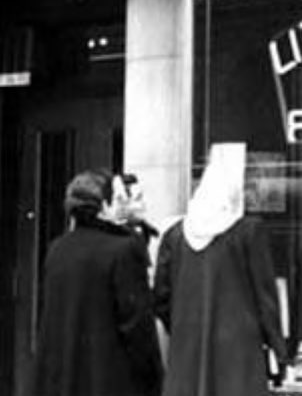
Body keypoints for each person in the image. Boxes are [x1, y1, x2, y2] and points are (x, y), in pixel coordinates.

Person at [153, 142, 287, 396]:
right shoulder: (248, 232)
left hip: (187, 352)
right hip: (239, 354)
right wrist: (279, 350)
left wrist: (184, 326)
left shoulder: (175, 235)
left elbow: (161, 297)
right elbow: (265, 297)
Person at [34, 169, 163, 396]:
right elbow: (137, 326)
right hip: (110, 378)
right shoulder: (123, 250)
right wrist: (153, 379)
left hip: (63, 377)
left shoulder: (58, 249)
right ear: (104, 206)